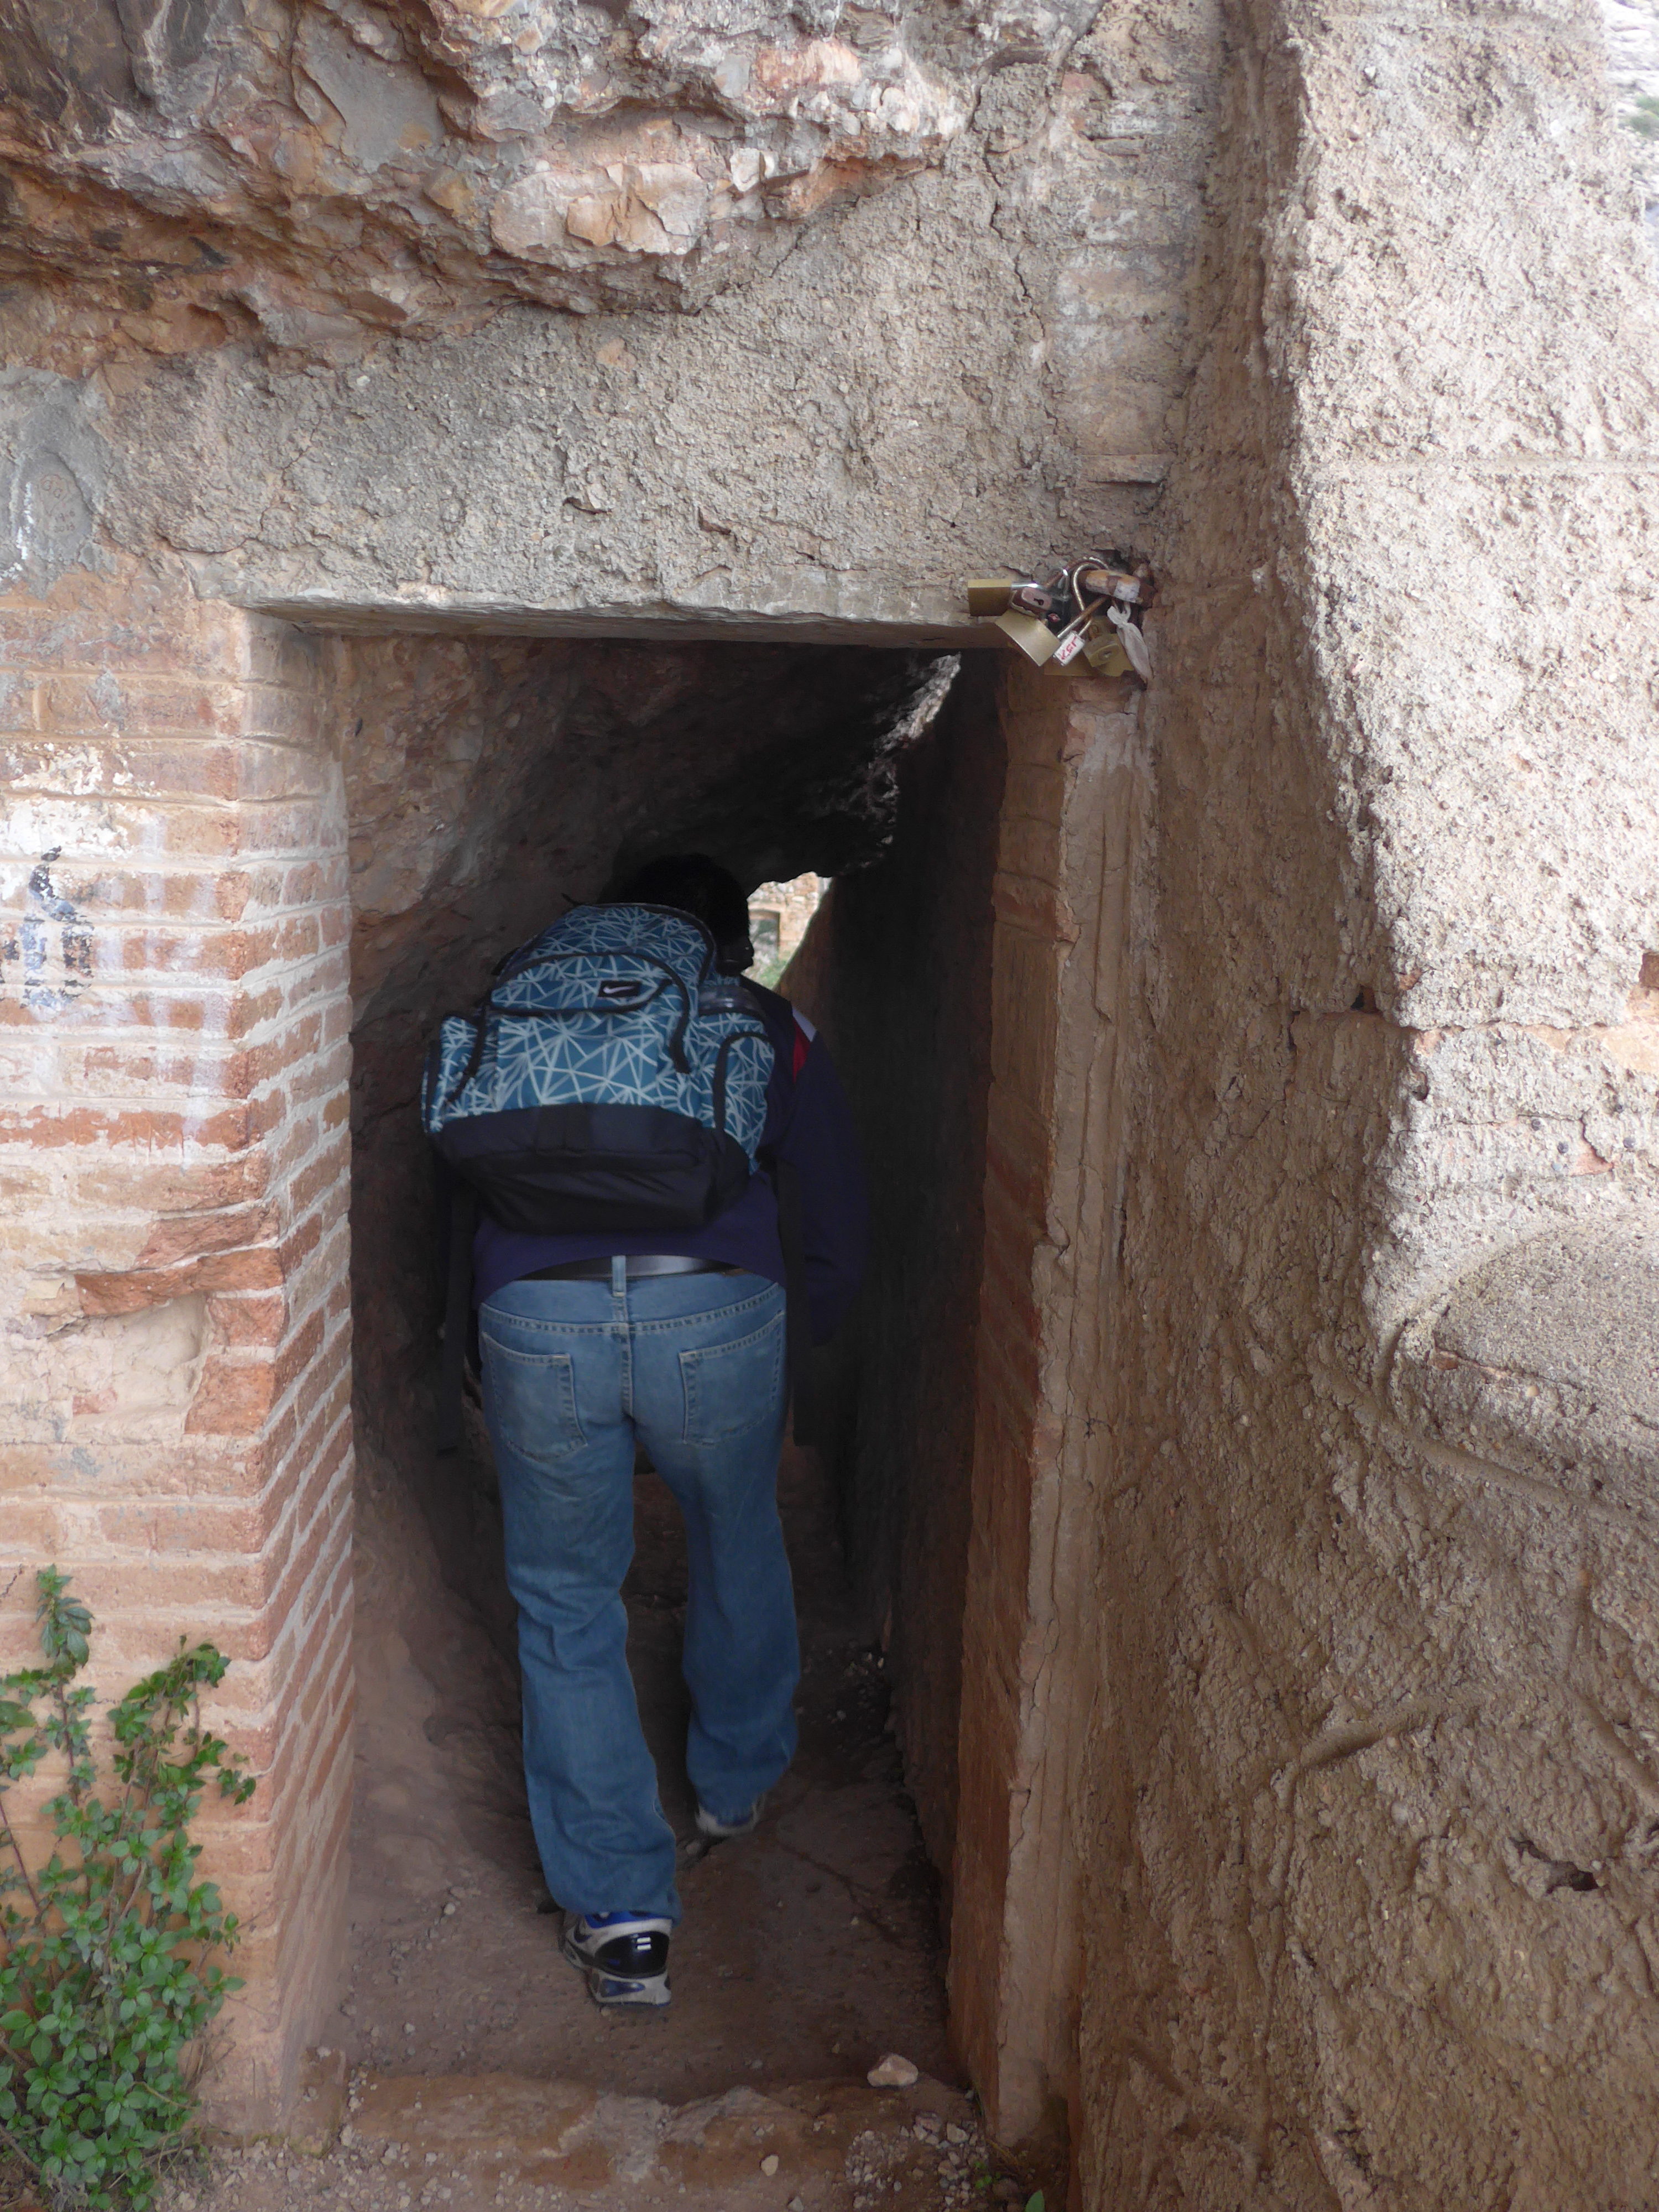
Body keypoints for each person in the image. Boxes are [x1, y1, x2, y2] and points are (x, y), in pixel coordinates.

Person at [469, 854, 867, 2009]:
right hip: (719, 1307)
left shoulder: (518, 997)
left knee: (562, 1596)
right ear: (722, 939)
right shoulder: (762, 1021)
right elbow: (832, 1210)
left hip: (533, 1309)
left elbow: (459, 1179)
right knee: (736, 1529)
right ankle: (731, 1785)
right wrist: (810, 1341)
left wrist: (469, 1339)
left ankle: (620, 1915)